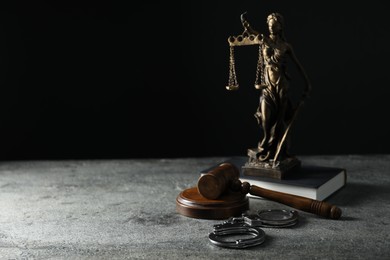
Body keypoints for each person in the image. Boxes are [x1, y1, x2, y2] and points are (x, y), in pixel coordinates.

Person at [241, 12, 311, 162]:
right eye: (270, 24)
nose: (272, 26)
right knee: (266, 120)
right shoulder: (264, 40)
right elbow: (252, 32)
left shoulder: (286, 46)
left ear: (281, 27)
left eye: (275, 24)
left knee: (279, 121)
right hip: (267, 87)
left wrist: (307, 83)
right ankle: (266, 143)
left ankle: (279, 151)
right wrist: (246, 26)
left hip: (281, 86)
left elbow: (298, 66)